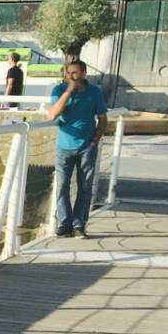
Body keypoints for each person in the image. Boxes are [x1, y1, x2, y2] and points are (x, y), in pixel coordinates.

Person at [47, 59, 108, 238]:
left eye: (74, 73)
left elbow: (103, 118)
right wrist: (68, 92)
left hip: (86, 146)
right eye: (68, 73)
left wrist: (95, 139)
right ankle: (65, 224)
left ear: (84, 73)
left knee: (85, 186)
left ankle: (79, 224)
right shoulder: (59, 90)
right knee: (62, 186)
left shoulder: (94, 91)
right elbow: (52, 114)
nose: (71, 76)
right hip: (64, 146)